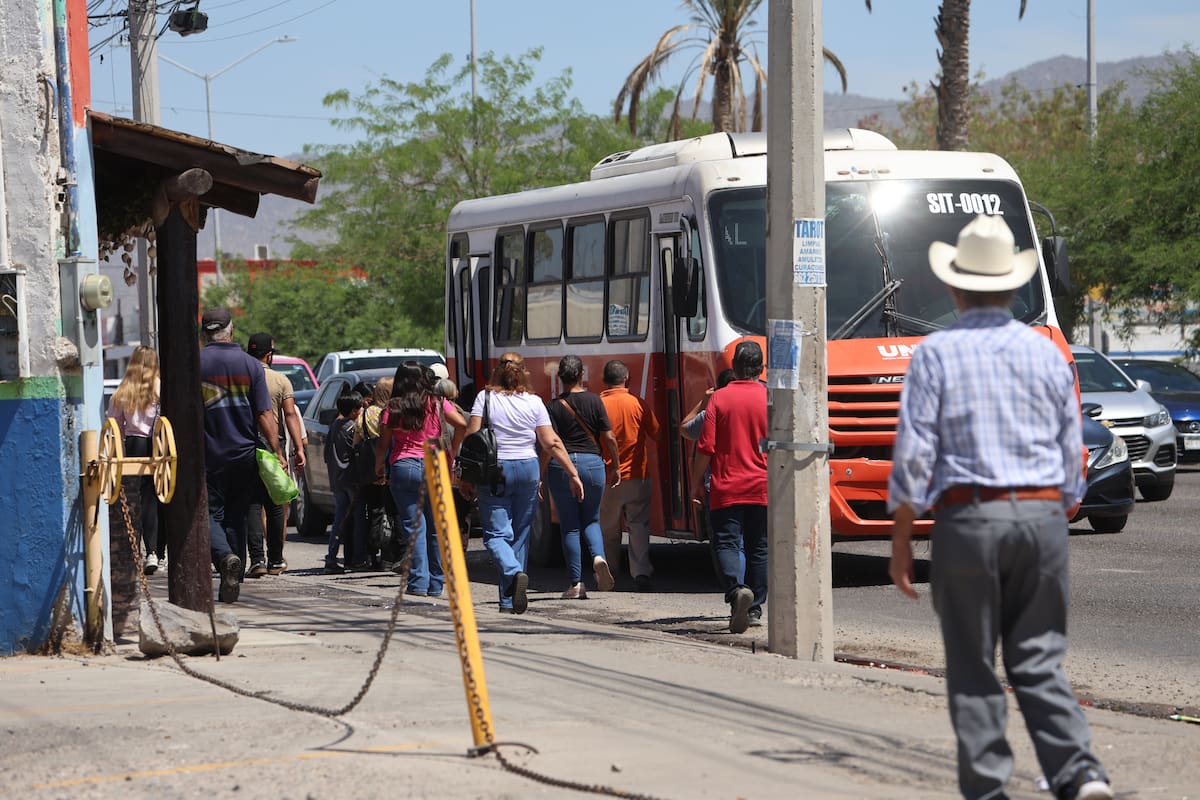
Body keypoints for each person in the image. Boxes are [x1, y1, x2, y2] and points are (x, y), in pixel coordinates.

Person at [888, 215, 1112, 800]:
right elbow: (1072, 453)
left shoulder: (935, 355)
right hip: (1042, 518)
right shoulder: (1044, 355)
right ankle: (1080, 772)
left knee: (973, 664)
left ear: (955, 287)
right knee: (1038, 658)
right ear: (1013, 287)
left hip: (968, 517)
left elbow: (915, 453)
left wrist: (901, 541)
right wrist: (1053, 513)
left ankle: (988, 787)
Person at [463, 352, 583, 613]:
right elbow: (551, 442)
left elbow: (471, 437)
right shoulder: (535, 402)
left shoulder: (485, 398)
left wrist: (463, 476)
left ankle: (513, 572)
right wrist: (572, 473)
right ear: (524, 372)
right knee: (520, 536)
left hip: (496, 470)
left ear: (496, 371)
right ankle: (510, 601)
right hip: (528, 468)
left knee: (496, 536)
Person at [199, 307, 284, 603]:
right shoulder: (250, 366)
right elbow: (264, 413)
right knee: (237, 517)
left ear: (203, 333)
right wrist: (276, 450)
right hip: (244, 454)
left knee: (209, 514)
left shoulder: (193, 363)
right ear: (231, 331)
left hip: (208, 456)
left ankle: (225, 557)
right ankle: (230, 575)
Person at [690, 341, 767, 633]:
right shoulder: (771, 397)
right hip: (763, 485)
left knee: (727, 543)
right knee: (759, 546)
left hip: (726, 486)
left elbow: (706, 447)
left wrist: (697, 483)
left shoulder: (719, 399)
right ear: (761, 369)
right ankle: (756, 607)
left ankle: (737, 592)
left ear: (733, 368)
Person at [377, 363, 467, 596]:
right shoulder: (436, 402)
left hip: (404, 467)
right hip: (435, 464)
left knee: (413, 527)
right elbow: (462, 424)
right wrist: (452, 450)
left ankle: (418, 582)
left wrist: (379, 465)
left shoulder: (393, 407)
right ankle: (436, 584)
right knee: (435, 527)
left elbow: (384, 443)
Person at [544, 355, 620, 599]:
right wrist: (615, 465)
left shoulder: (554, 406)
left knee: (570, 526)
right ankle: (598, 556)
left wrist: (541, 472)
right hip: (593, 465)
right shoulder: (595, 401)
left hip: (563, 467)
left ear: (560, 378)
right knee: (591, 519)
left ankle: (576, 583)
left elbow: (551, 444)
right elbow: (609, 438)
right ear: (581, 375)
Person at [244, 332, 307, 577]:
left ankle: (257, 560)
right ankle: (276, 560)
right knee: (275, 503)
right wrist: (298, 449)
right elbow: (290, 415)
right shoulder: (281, 380)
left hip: (245, 444)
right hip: (273, 446)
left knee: (252, 502)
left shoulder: (243, 378)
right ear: (269, 354)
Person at [598, 359, 661, 592]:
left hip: (607, 477)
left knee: (608, 528)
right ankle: (641, 571)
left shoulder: (598, 405)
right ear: (626, 379)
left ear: (605, 380)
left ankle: (611, 572)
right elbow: (657, 433)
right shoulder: (638, 403)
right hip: (637, 475)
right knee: (639, 526)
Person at [106, 345, 162, 575]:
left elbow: (114, 425)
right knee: (151, 498)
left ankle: (133, 550)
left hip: (130, 445)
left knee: (131, 500)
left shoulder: (123, 390)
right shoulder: (160, 387)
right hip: (156, 444)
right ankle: (153, 552)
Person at [323, 391, 366, 574]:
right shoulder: (351, 428)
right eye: (360, 407)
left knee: (339, 520)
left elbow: (326, 454)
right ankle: (358, 559)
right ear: (354, 411)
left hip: (336, 478)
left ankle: (331, 557)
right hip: (351, 479)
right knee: (359, 520)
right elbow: (358, 451)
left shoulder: (334, 426)